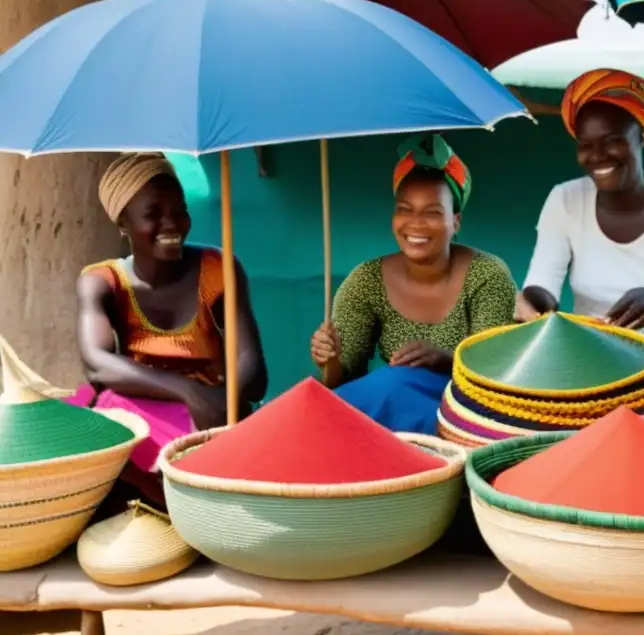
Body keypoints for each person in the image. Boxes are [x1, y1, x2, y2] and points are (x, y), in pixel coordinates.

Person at [515, 68, 644, 404]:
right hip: (594, 355)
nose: (597, 156)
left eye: (613, 140)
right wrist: (537, 304)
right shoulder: (564, 199)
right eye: (586, 145)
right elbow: (542, 283)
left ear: (640, 136)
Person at [75, 152, 268, 507]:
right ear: (123, 222)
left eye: (180, 210)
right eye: (153, 214)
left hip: (212, 415)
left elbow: (253, 373)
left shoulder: (218, 268)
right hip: (142, 414)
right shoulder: (103, 281)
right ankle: (167, 498)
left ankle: (178, 499)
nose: (172, 224)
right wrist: (187, 392)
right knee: (104, 417)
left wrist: (220, 401)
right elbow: (97, 364)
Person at [310, 133, 517, 435]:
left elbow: (494, 376)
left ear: (455, 222)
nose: (415, 223)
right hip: (391, 414)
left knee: (392, 384)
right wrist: (330, 360)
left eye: (432, 212)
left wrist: (443, 359)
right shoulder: (366, 281)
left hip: (467, 418)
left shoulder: (488, 275)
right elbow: (340, 386)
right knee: (333, 405)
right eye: (404, 209)